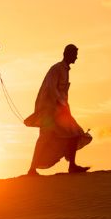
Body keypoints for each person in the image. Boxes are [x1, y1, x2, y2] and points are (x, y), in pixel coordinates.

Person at [25, 44, 91, 175]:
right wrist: (61, 103)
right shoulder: (56, 69)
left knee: (75, 133)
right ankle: (32, 169)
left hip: (61, 112)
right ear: (68, 54)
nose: (76, 58)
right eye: (75, 55)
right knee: (45, 137)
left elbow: (61, 92)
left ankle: (72, 165)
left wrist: (64, 106)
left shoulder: (65, 70)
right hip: (50, 112)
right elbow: (50, 88)